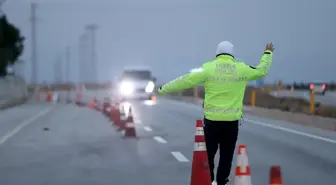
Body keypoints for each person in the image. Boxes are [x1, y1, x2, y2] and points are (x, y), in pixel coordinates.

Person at [157, 41, 274, 185]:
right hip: (231, 122)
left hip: (211, 121)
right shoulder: (241, 69)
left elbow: (185, 80)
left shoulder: (208, 68)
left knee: (209, 155)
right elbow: (261, 70)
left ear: (217, 53)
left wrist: (163, 88)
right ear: (232, 54)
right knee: (226, 156)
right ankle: (221, 182)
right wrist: (267, 54)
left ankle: (209, 180)